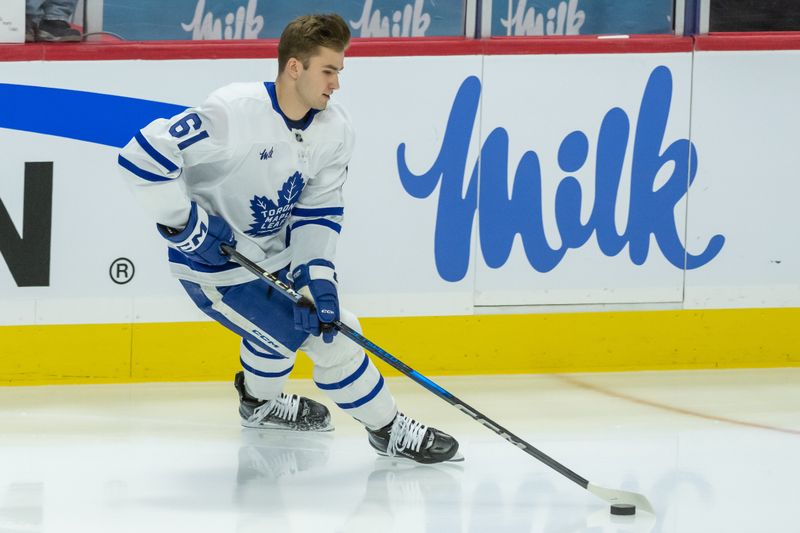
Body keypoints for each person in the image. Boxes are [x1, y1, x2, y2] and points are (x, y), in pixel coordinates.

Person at [117, 13, 461, 464]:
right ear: (294, 67)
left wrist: (316, 277)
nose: (336, 83)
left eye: (340, 70)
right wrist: (186, 226)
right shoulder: (233, 112)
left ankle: (258, 404)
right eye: (329, 70)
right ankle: (388, 428)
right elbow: (140, 157)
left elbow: (318, 210)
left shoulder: (335, 129)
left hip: (273, 257)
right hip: (215, 271)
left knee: (281, 333)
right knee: (336, 338)